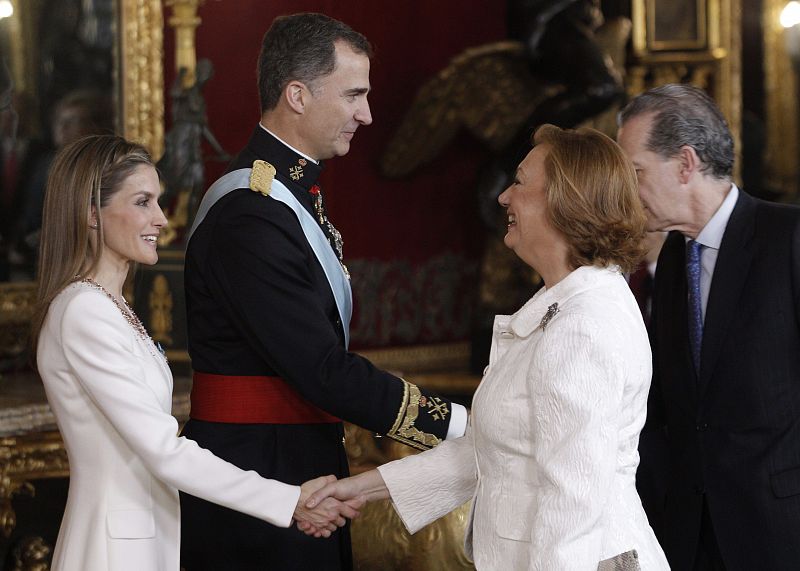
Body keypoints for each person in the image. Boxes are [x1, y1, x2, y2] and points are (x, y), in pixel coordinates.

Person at [303, 124, 670, 570]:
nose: (503, 197)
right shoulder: (560, 303)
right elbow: (487, 452)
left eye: (519, 181)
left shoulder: (585, 324)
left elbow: (572, 504)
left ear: (564, 200)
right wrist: (358, 489)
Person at [181, 12, 467, 570]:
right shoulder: (251, 213)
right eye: (353, 95)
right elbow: (321, 369)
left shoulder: (288, 196)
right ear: (297, 95)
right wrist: (458, 425)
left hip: (295, 463)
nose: (367, 114)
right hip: (259, 481)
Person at [32, 135, 361, 571]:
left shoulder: (107, 305)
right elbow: (164, 451)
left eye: (158, 202)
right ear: (92, 214)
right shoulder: (83, 310)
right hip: (116, 549)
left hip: (151, 537)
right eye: (143, 202)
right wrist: (290, 500)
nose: (162, 219)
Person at [616, 83, 800, 571]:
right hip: (689, 535)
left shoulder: (788, 239)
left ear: (685, 163)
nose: (628, 191)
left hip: (778, 532)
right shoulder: (675, 257)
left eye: (635, 172)